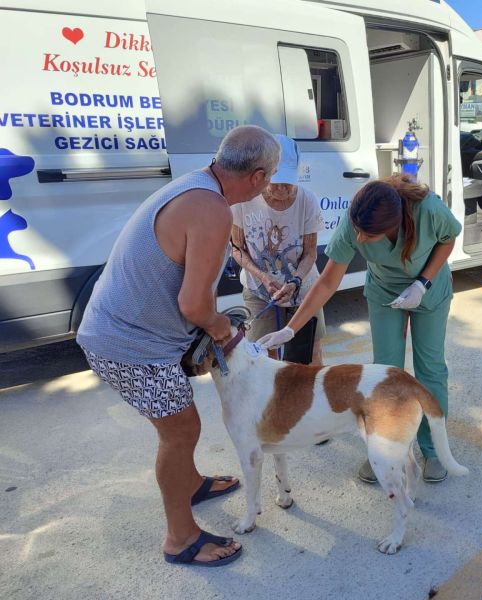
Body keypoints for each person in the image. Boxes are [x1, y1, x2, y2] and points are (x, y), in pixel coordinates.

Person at [77, 126, 280, 566]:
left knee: (181, 424)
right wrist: (223, 329)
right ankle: (180, 538)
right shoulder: (212, 209)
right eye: (270, 178)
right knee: (180, 430)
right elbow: (193, 305)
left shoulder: (197, 185)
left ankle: (189, 483)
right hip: (128, 344)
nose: (268, 186)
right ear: (258, 175)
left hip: (123, 332)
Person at [257, 174, 462, 483]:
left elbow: (448, 239)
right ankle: (386, 449)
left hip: (429, 291)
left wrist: (422, 283)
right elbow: (327, 281)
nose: (360, 239)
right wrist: (292, 328)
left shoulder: (428, 210)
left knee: (430, 368)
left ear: (394, 225)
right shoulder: (355, 222)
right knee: (385, 371)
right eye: (357, 231)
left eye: (369, 235)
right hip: (384, 293)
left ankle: (433, 450)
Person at [231, 134, 326, 365]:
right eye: (276, 181)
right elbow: (237, 249)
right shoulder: (243, 201)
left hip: (302, 288)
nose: (282, 188)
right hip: (259, 290)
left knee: (310, 353)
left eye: (288, 182)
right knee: (264, 358)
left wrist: (295, 281)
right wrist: (264, 277)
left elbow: (310, 253)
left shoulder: (307, 200)